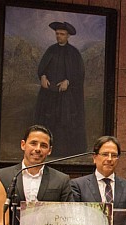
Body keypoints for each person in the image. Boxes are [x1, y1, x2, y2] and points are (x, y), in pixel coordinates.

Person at [34, 21, 87, 156]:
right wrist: (43, 76)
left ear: (67, 36)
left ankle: (65, 151)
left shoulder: (74, 53)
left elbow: (79, 73)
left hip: (66, 97)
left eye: (62, 34)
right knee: (48, 121)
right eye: (57, 34)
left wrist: (68, 81)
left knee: (65, 122)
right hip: (49, 95)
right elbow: (42, 68)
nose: (59, 36)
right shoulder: (51, 50)